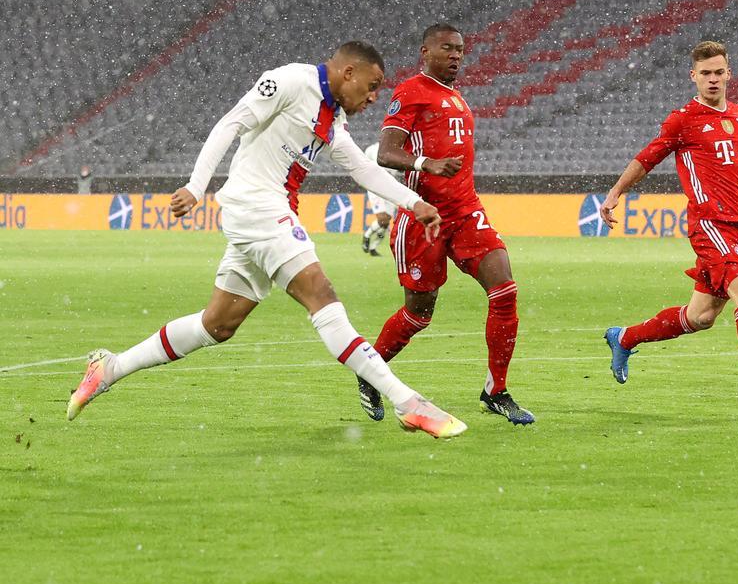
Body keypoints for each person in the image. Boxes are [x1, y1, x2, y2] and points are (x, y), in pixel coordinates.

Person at [66, 41, 468, 439]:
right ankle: (409, 403)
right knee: (320, 294)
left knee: (218, 325)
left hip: (264, 213)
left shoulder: (332, 118)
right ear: (349, 72)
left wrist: (414, 203)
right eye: (372, 84)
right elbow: (231, 122)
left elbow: (363, 168)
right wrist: (195, 185)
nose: (374, 96)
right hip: (257, 205)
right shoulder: (292, 81)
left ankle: (110, 368)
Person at [599, 40, 738, 413]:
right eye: (705, 74)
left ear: (729, 73)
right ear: (693, 77)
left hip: (737, 226)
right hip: (708, 222)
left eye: (718, 72)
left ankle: (625, 337)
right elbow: (648, 157)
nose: (713, 80)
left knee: (701, 317)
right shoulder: (683, 119)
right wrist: (616, 191)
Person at [357, 23, 534, 426]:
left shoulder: (456, 97)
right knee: (419, 315)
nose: (456, 55)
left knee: (504, 291)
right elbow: (385, 152)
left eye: (460, 50)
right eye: (447, 48)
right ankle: (370, 369)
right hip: (424, 216)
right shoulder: (411, 91)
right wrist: (426, 164)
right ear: (426, 51)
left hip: (466, 211)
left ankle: (496, 390)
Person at [360, 142, 396, 256]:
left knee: (386, 222)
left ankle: (373, 248)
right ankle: (366, 236)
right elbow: (364, 165)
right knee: (382, 219)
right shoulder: (372, 149)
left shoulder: (397, 149)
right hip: (375, 185)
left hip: (391, 186)